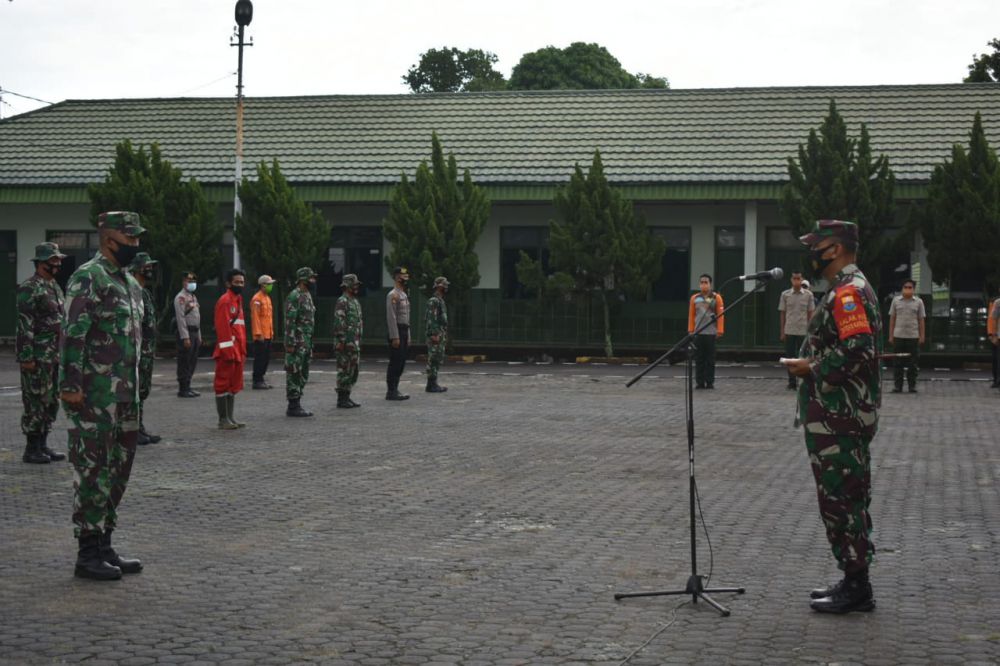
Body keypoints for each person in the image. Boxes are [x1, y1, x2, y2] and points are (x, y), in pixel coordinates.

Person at [786, 219, 882, 614]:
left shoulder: (848, 293)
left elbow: (858, 348)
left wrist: (813, 368)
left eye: (818, 246)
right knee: (840, 499)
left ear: (837, 248)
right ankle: (852, 577)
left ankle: (857, 586)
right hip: (835, 417)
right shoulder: (844, 289)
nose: (813, 254)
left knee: (843, 501)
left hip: (841, 418)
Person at [60, 211, 146, 581]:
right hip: (94, 396)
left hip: (126, 395)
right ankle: (87, 553)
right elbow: (73, 336)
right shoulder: (88, 278)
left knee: (118, 471)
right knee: (92, 471)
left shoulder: (128, 281)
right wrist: (71, 385)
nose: (135, 245)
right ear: (109, 239)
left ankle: (106, 544)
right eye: (130, 239)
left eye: (137, 239)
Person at [16, 241, 68, 464]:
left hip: (55, 355)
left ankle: (43, 444)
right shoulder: (30, 287)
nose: (57, 264)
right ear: (42, 262)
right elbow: (24, 324)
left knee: (50, 400)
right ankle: (31, 448)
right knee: (35, 401)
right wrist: (26, 357)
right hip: (37, 356)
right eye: (53, 260)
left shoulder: (54, 286)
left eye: (58, 260)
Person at [129, 252, 162, 445]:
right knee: (134, 391)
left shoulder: (145, 293)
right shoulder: (131, 292)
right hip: (136, 351)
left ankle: (139, 427)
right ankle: (132, 430)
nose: (149, 269)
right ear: (136, 269)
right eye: (146, 266)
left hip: (147, 351)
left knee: (142, 391)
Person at [213, 268, 248, 429]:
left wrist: (242, 350)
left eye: (242, 282)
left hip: (237, 350)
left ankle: (230, 417)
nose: (240, 284)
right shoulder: (226, 301)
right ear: (228, 284)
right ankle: (223, 419)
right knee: (223, 383)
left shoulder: (238, 299)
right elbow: (222, 328)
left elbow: (240, 328)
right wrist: (228, 351)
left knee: (234, 384)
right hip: (228, 351)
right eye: (237, 282)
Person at [285, 267, 317, 417]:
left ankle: (297, 401)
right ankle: (293, 405)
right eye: (311, 278)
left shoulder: (307, 295)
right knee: (294, 372)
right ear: (303, 279)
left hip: (306, 341)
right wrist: (290, 342)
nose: (313, 281)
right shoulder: (295, 296)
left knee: (303, 372)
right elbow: (290, 321)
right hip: (297, 341)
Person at [888, 279, 926, 394]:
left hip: (913, 336)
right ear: (902, 288)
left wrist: (922, 336)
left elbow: (921, 320)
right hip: (898, 336)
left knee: (913, 364)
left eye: (910, 287)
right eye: (906, 287)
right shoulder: (895, 301)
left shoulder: (919, 302)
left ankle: (912, 386)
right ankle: (897, 386)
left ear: (914, 289)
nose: (908, 289)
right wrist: (890, 336)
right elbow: (892, 319)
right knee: (897, 363)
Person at [779, 271, 815, 390]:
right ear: (791, 279)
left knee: (803, 357)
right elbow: (782, 314)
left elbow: (811, 314)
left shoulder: (808, 295)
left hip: (803, 330)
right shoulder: (785, 295)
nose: (796, 281)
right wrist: (782, 331)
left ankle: (802, 381)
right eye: (794, 278)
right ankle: (791, 381)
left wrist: (810, 331)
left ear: (802, 279)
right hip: (789, 329)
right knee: (790, 357)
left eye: (798, 278)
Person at [687, 274, 724, 389]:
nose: (703, 284)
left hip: (711, 333)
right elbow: (691, 315)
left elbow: (720, 315)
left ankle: (709, 382)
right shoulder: (694, 298)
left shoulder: (716, 297)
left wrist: (720, 330)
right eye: (701, 282)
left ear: (710, 284)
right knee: (699, 359)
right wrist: (690, 330)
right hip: (698, 333)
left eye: (706, 282)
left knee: (710, 359)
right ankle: (699, 382)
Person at [333, 273, 363, 409]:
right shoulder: (342, 301)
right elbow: (339, 322)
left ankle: (347, 395)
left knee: (353, 370)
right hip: (345, 343)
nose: (356, 287)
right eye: (354, 284)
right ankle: (342, 398)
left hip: (354, 342)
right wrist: (342, 340)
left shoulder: (355, 301)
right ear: (348, 285)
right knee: (344, 370)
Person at [385, 266, 411, 401]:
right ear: (396, 277)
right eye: (402, 276)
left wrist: (408, 335)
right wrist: (394, 336)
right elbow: (392, 317)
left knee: (401, 362)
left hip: (404, 330)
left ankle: (396, 388)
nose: (405, 278)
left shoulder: (404, 294)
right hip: (397, 331)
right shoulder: (393, 295)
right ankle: (391, 391)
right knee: (395, 361)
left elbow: (407, 318)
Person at [174, 271, 201, 398]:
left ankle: (188, 386)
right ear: (183, 282)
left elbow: (197, 318)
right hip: (187, 332)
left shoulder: (193, 297)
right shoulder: (181, 297)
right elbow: (180, 319)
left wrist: (199, 336)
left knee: (192, 360)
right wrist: (185, 337)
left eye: (193, 281)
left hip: (195, 331)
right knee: (184, 360)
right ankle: (183, 388)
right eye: (189, 281)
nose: (192, 283)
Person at [250, 274, 277, 390]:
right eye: (269, 284)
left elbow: (269, 318)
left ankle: (261, 379)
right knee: (260, 358)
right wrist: (258, 334)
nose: (271, 286)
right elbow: (255, 317)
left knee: (265, 358)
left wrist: (271, 333)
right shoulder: (257, 299)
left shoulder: (267, 298)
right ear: (263, 285)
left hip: (268, 334)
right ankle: (257, 380)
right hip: (260, 335)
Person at [425, 276, 450, 393]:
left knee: (438, 358)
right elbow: (432, 318)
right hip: (435, 335)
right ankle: (431, 384)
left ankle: (434, 383)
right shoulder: (434, 301)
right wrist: (434, 334)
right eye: (445, 285)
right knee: (433, 358)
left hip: (440, 334)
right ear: (439, 286)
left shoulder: (441, 301)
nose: (447, 287)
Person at [988, 288, 1000, 388]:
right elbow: (992, 320)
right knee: (996, 359)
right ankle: (997, 380)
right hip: (996, 335)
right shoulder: (996, 302)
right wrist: (992, 334)